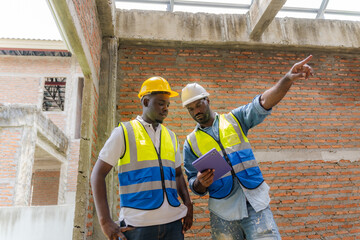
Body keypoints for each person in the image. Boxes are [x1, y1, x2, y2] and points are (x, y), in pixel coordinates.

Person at [181, 55, 314, 239]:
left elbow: (263, 102)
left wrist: (287, 78)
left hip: (255, 203)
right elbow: (192, 182)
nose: (196, 111)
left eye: (198, 104)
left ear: (207, 100)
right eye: (190, 109)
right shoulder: (190, 143)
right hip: (223, 212)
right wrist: (200, 183)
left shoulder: (234, 119)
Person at [91, 76, 193, 240]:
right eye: (161, 103)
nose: (166, 108)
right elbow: (97, 174)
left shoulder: (171, 136)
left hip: (174, 225)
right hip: (137, 227)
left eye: (167, 104)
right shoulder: (124, 132)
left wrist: (188, 204)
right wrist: (105, 221)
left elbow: (178, 174)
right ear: (145, 102)